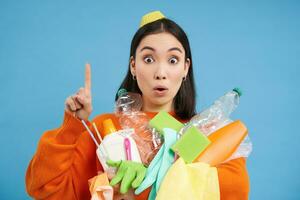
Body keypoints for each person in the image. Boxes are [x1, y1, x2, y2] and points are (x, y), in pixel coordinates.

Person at [26, 11, 250, 200]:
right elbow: (46, 188)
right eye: (149, 59)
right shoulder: (106, 128)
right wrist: (74, 124)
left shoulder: (206, 132)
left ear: (185, 68)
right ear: (133, 65)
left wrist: (146, 181)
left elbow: (237, 190)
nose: (160, 73)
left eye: (172, 60)